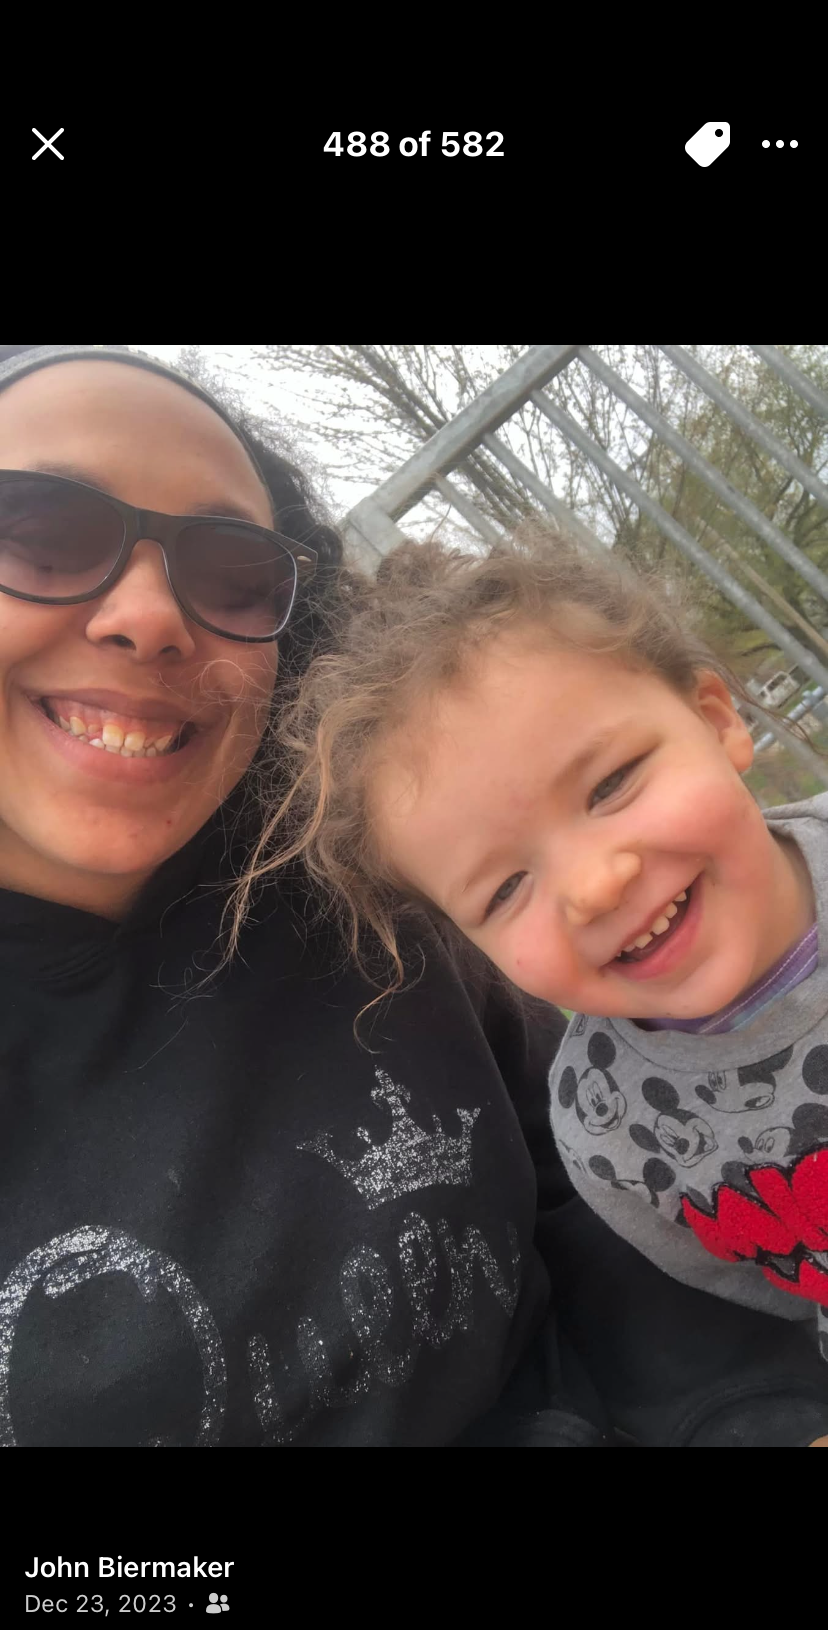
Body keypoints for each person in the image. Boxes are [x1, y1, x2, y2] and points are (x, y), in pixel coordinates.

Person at [2, 351, 828, 1450]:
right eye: (41, 531)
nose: (149, 615)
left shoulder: (362, 915)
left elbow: (616, 1237)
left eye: (234, 570)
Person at [241, 526, 828, 1433]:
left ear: (716, 719)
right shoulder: (609, 1130)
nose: (595, 886)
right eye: (506, 888)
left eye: (611, 784)